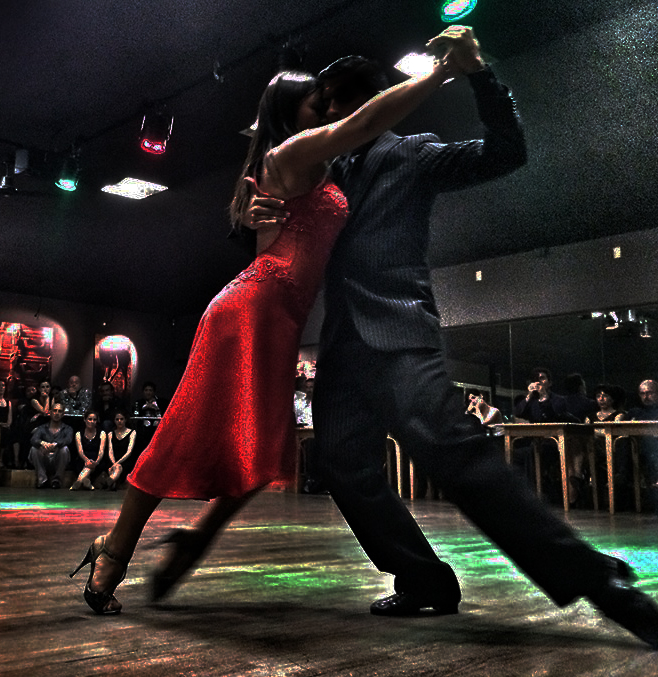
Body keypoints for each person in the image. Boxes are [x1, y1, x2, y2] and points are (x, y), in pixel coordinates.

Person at [245, 35, 658, 648]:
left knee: (456, 458)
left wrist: (481, 78)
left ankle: (598, 580)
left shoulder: (411, 152)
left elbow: (507, 152)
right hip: (341, 343)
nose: (325, 112)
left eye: (333, 100)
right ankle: (424, 580)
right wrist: (261, 220)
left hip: (399, 332)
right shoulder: (323, 171)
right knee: (340, 464)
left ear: (361, 101)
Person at [70, 26, 464, 616]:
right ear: (289, 113)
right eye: (316, 103)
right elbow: (361, 124)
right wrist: (437, 74)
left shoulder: (313, 167)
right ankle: (115, 551)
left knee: (263, 451)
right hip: (249, 313)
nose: (326, 110)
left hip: (277, 320)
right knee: (185, 435)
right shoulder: (290, 154)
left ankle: (187, 541)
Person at [28, 401, 72, 489]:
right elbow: (33, 439)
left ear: (63, 414)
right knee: (34, 449)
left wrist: (56, 444)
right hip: (44, 457)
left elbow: (68, 440)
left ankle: (57, 480)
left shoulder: (67, 428)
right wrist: (42, 443)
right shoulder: (42, 427)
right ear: (50, 412)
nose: (57, 413)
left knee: (64, 449)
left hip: (58, 458)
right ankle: (42, 480)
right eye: (55, 410)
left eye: (60, 411)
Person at [70, 409, 107, 491]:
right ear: (85, 420)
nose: (92, 422)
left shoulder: (102, 433)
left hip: (97, 461)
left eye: (94, 420)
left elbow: (101, 451)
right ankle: (87, 483)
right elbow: (80, 451)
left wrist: (96, 462)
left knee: (88, 467)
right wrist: (87, 461)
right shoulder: (79, 434)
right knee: (87, 467)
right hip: (83, 460)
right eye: (90, 419)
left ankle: (79, 481)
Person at [101, 410, 137, 491]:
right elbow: (110, 451)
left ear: (125, 420)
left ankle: (110, 481)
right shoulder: (110, 434)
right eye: (117, 419)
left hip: (125, 461)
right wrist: (114, 463)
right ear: (114, 421)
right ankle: (112, 482)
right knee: (114, 467)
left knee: (118, 467)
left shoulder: (132, 432)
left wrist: (117, 463)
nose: (119, 421)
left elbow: (129, 451)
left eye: (121, 419)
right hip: (113, 460)